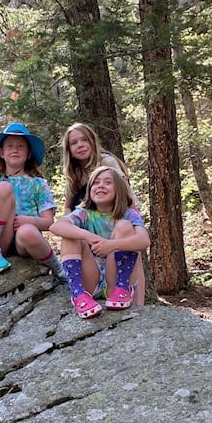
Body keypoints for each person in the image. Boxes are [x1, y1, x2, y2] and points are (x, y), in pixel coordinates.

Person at [61, 122, 146, 304]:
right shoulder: (74, 172)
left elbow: (126, 195)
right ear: (69, 149)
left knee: (130, 247)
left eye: (84, 140)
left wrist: (131, 219)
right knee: (71, 237)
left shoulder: (107, 162)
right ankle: (81, 293)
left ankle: (138, 306)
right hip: (88, 224)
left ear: (93, 142)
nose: (80, 145)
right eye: (74, 142)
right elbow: (67, 207)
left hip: (116, 220)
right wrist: (78, 228)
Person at [50, 165, 150, 319]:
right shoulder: (84, 213)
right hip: (92, 280)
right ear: (90, 189)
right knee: (70, 234)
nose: (101, 186)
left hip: (116, 278)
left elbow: (144, 240)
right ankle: (78, 295)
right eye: (95, 183)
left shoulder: (129, 214)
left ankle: (121, 289)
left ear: (119, 190)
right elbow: (56, 226)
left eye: (108, 182)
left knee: (124, 226)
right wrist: (88, 236)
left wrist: (111, 245)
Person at [0, 122, 66, 280]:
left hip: (25, 242)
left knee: (27, 231)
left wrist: (30, 220)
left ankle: (58, 269)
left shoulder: (38, 184)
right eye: (10, 146)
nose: (15, 149)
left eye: (21, 146)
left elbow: (49, 223)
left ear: (28, 153)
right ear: (1, 152)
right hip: (0, 238)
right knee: (4, 188)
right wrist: (1, 218)